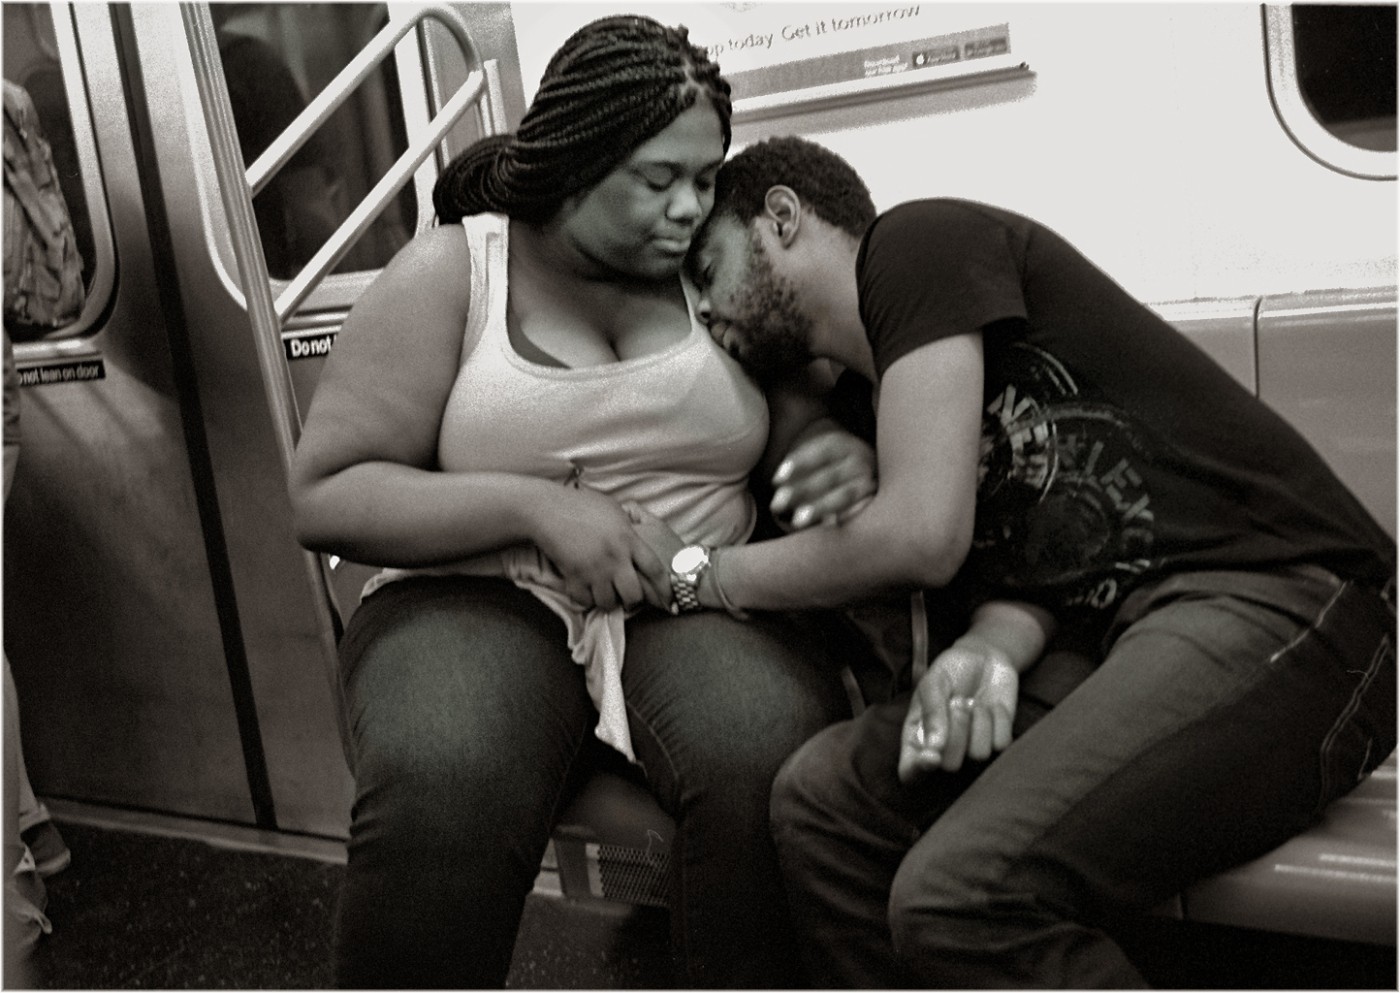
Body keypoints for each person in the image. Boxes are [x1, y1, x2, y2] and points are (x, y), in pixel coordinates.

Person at [629, 135, 1397, 987]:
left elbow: (922, 536)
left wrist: (703, 576)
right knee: (824, 800)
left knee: (960, 895)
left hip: (1281, 598)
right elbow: (1035, 564)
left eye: (709, 269)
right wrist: (988, 646)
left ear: (782, 217)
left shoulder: (916, 248)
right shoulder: (873, 404)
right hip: (1117, 638)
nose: (706, 310)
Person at [288, 20, 867, 989]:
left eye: (704, 177)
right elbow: (327, 495)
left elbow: (791, 416)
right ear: (573, 161)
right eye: (658, 179)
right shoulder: (452, 273)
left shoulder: (707, 272)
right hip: (476, 592)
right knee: (444, 775)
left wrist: (826, 454)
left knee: (770, 759)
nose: (691, 207)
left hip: (687, 590)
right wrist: (539, 508)